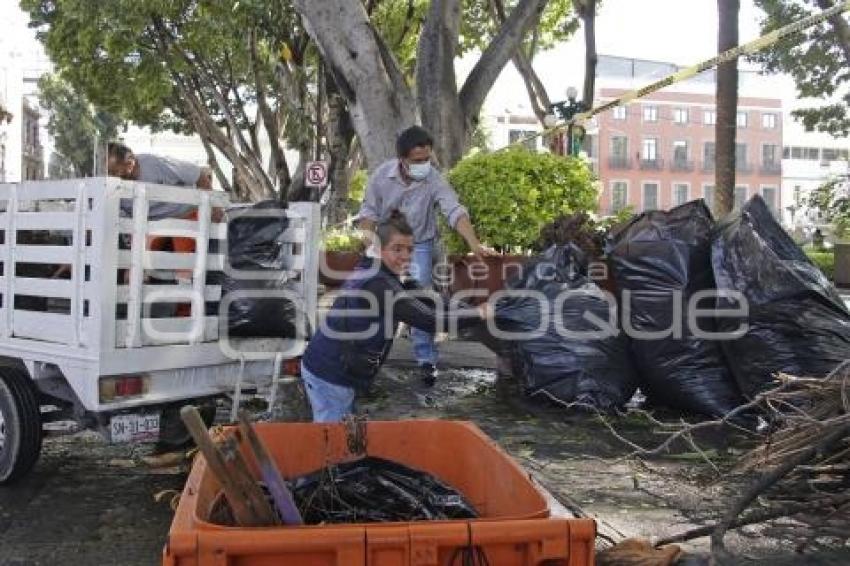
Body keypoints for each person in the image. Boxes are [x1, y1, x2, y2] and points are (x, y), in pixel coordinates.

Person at [301, 211, 492, 422]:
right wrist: (479, 314)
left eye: (410, 249)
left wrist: (471, 308)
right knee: (332, 441)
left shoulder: (387, 273)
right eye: (397, 249)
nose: (405, 256)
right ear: (380, 249)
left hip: (343, 370)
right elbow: (429, 320)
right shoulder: (377, 283)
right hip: (329, 375)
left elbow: (430, 299)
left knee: (346, 433)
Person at [358, 126, 494, 386]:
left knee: (419, 302)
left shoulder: (433, 178)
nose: (424, 165)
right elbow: (368, 214)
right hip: (386, 245)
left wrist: (474, 244)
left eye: (427, 159)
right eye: (417, 161)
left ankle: (426, 362)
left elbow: (454, 210)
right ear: (402, 160)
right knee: (381, 301)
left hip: (419, 245)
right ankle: (372, 358)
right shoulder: (381, 177)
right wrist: (371, 246)